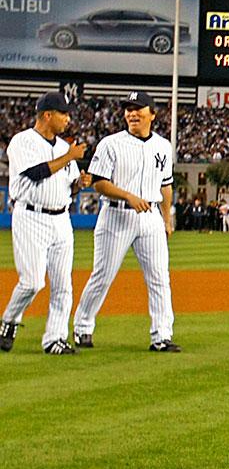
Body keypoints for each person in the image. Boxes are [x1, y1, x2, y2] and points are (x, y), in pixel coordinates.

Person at [72, 92, 177, 352]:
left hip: (151, 216)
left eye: (138, 108)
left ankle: (161, 336)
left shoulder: (163, 146)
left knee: (159, 278)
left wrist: (166, 219)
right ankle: (82, 326)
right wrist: (129, 196)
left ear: (152, 114)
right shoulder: (111, 143)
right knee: (103, 275)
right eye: (128, 109)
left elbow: (166, 187)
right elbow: (99, 183)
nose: (132, 113)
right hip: (116, 215)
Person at [0, 92, 84, 355]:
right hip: (31, 217)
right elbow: (36, 174)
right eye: (64, 114)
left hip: (61, 219)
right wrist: (70, 157)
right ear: (47, 115)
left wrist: (82, 182)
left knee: (63, 285)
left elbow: (70, 185)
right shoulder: (22, 141)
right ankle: (9, 321)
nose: (68, 119)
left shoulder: (62, 147)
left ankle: (55, 338)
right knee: (32, 282)